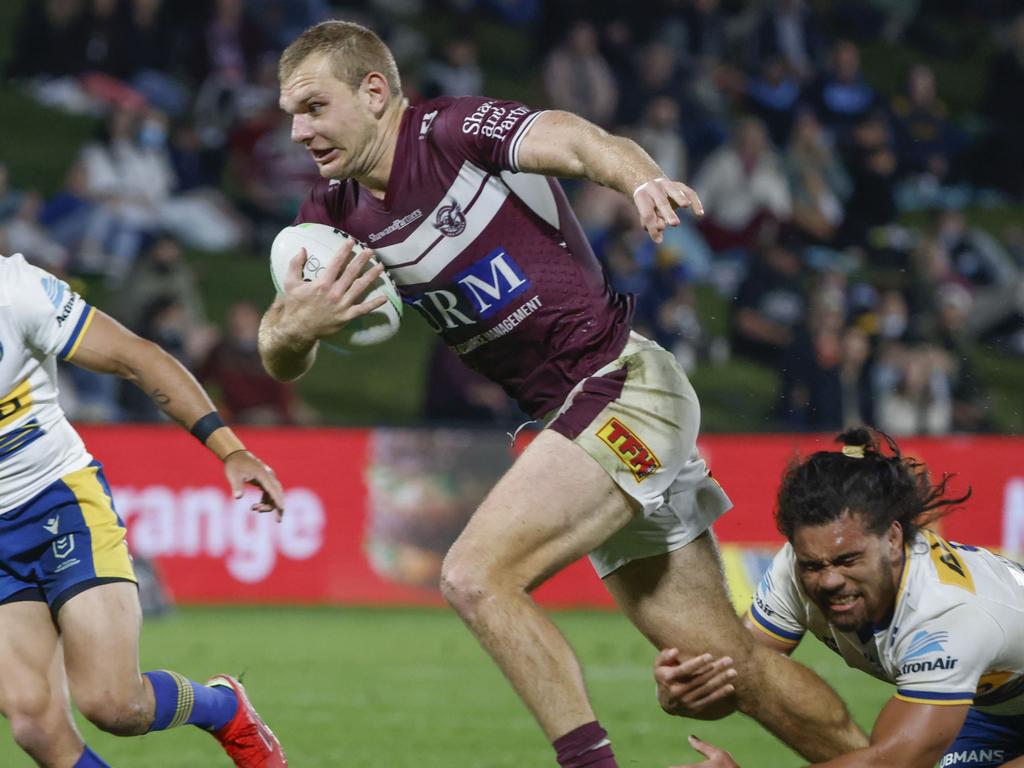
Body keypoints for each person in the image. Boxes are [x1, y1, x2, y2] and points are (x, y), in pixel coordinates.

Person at [259, 20, 867, 767]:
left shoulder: (449, 131)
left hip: (621, 386)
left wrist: (638, 176)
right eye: (292, 112)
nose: (297, 131)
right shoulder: (327, 220)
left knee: (476, 576)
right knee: (728, 666)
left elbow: (579, 140)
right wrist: (299, 328)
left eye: (314, 107)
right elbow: (276, 353)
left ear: (375, 92)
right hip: (579, 418)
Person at [0, 252, 287, 768]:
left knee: (114, 704)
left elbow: (136, 357)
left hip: (57, 503)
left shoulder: (14, 290)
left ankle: (225, 707)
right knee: (33, 724)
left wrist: (230, 449)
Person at [657, 428, 1024, 768]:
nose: (830, 580)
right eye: (813, 565)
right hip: (995, 707)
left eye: (848, 560)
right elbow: (738, 671)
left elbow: (891, 762)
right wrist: (686, 688)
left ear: (893, 540)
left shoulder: (946, 614)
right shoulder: (797, 568)